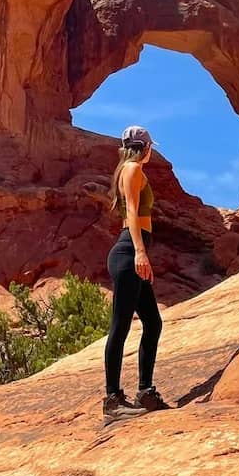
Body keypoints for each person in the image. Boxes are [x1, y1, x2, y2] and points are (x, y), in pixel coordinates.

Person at [102, 124, 172, 425]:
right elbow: (132, 211)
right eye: (149, 146)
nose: (150, 151)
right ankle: (112, 401)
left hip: (132, 250)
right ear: (144, 148)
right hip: (128, 251)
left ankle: (145, 393)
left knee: (153, 323)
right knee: (120, 326)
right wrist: (141, 253)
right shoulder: (132, 169)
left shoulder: (129, 169)